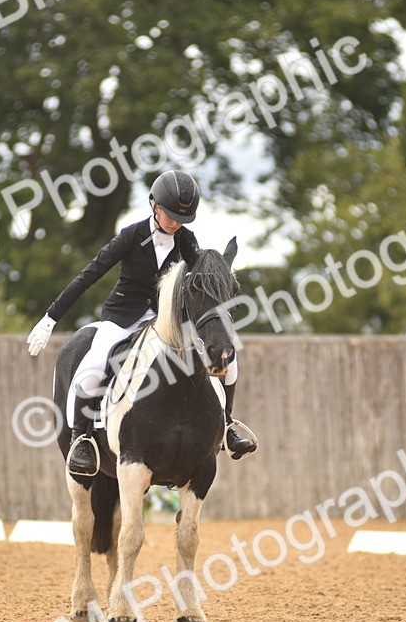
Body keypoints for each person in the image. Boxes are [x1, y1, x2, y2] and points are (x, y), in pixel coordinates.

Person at [26, 170, 257, 476]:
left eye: (182, 219)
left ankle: (226, 426)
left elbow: (197, 280)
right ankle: (82, 440)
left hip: (165, 320)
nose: (176, 223)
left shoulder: (187, 240)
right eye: (171, 215)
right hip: (122, 316)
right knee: (94, 364)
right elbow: (89, 275)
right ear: (154, 206)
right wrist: (50, 317)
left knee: (230, 359)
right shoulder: (131, 236)